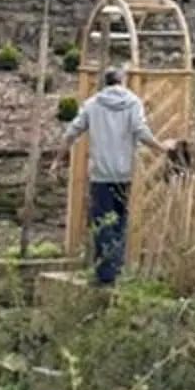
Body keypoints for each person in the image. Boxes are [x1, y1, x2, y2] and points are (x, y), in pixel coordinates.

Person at [62, 65, 164, 287]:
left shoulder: (92, 104)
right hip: (125, 173)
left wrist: (59, 155)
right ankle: (116, 268)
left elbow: (72, 131)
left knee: (102, 222)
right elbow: (141, 131)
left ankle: (104, 272)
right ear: (123, 81)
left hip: (100, 173)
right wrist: (160, 148)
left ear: (104, 82)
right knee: (120, 221)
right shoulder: (133, 103)